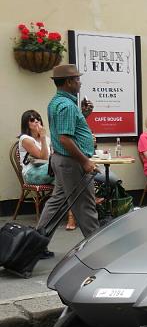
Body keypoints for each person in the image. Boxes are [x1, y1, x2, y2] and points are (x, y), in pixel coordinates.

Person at [36, 64, 99, 251]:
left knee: (56, 203)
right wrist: (85, 161)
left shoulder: (56, 102)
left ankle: (35, 245)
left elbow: (65, 131)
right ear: (69, 82)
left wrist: (84, 114)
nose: (80, 83)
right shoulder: (66, 106)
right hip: (71, 163)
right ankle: (97, 245)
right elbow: (65, 138)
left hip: (62, 162)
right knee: (86, 206)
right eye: (77, 79)